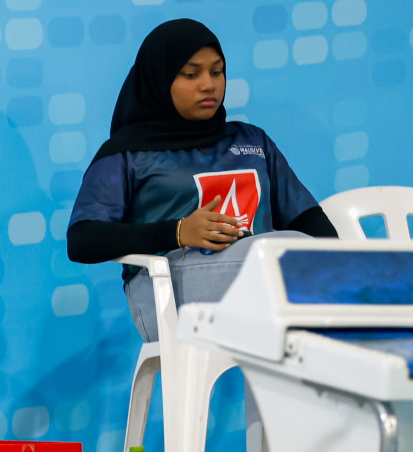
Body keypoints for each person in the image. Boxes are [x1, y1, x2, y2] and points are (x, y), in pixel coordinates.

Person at [67, 18, 337, 340]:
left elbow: (308, 219)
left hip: (264, 281)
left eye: (217, 71)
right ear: (159, 79)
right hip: (168, 292)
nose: (208, 85)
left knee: (308, 258)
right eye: (191, 74)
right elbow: (83, 239)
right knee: (283, 257)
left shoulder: (253, 140)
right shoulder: (127, 154)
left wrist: (340, 265)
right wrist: (178, 231)